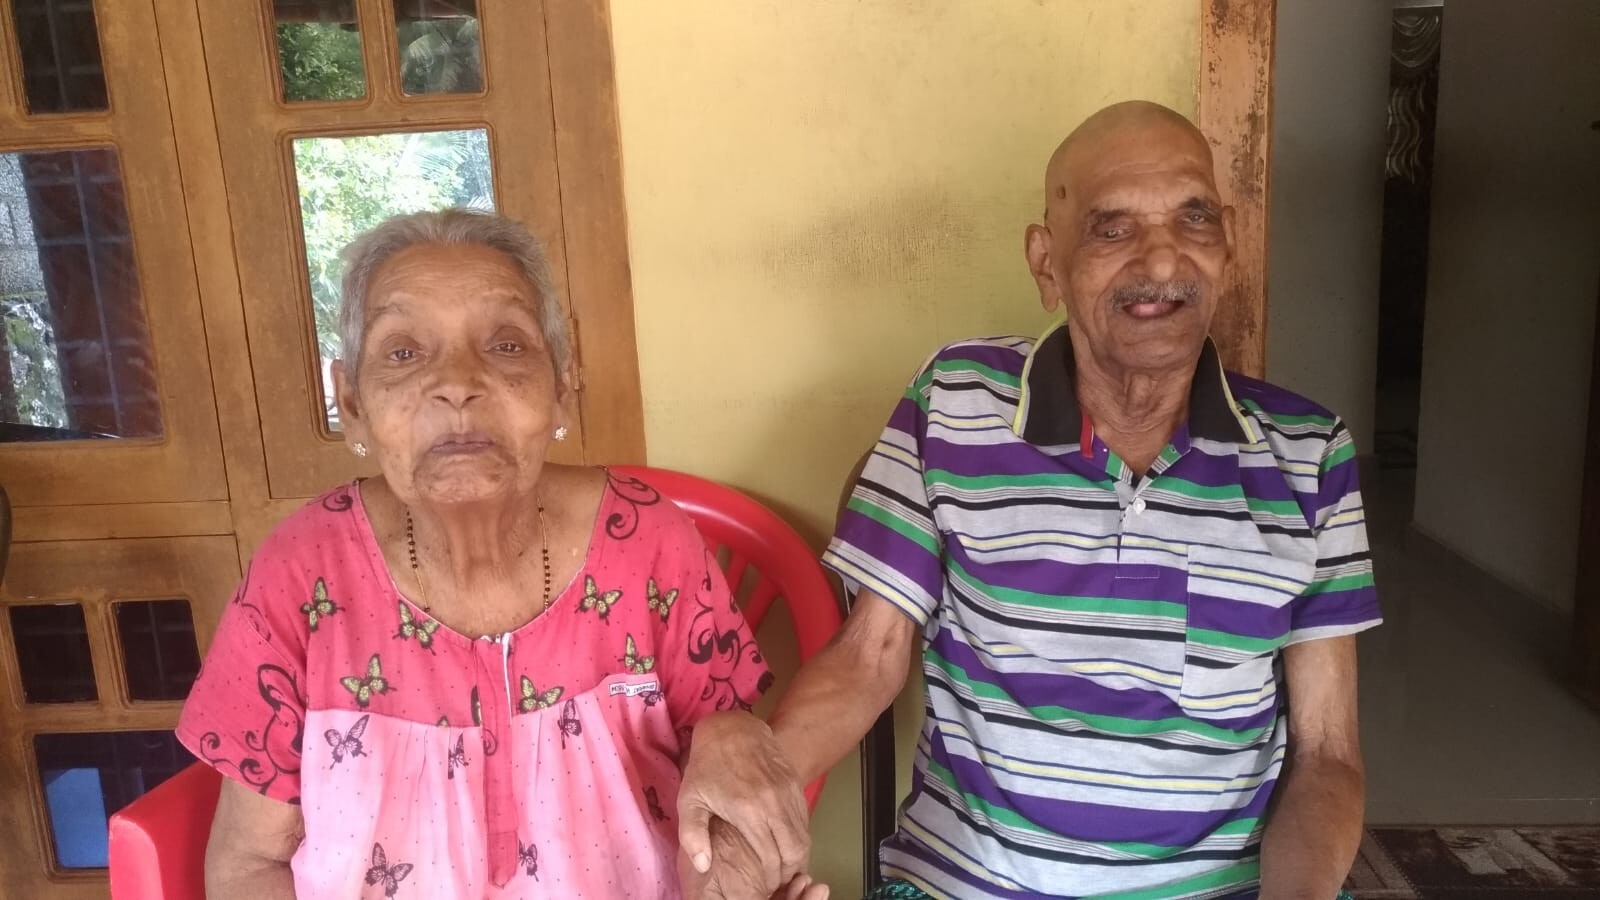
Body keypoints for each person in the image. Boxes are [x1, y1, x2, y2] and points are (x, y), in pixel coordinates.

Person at [678, 102, 1381, 900]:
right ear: (1046, 262)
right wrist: (745, 834)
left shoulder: (1309, 453)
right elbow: (866, 659)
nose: (1161, 262)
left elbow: (1328, 753)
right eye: (1113, 229)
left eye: (1193, 218)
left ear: (1227, 244)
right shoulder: (953, 403)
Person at [178, 208, 776, 898]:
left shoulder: (649, 543)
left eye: (506, 344)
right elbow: (249, 865)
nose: (456, 382)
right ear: (353, 404)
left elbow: (731, 801)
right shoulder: (299, 574)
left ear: (562, 384)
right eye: (403, 351)